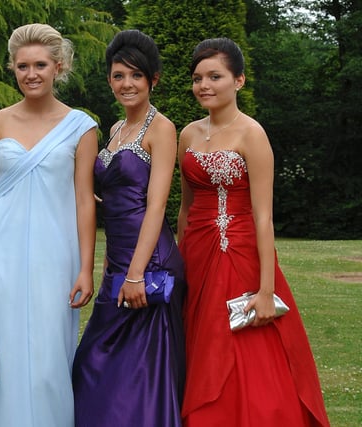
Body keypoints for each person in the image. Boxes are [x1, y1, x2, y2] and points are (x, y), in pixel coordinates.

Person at [177, 37, 330, 426]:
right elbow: (186, 206)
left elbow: (264, 217)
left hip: (239, 251)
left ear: (239, 81)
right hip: (196, 251)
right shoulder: (188, 135)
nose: (204, 85)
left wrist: (266, 291)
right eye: (198, 78)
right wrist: (177, 266)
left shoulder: (252, 134)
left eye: (215, 76)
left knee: (239, 345)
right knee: (197, 340)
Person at [0, 23, 98, 426]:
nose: (30, 74)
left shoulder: (82, 127)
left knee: (50, 355)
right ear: (13, 70)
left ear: (58, 67)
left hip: (56, 255)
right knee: (4, 350)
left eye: (40, 65)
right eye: (22, 66)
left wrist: (85, 267)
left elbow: (85, 200)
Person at [71, 30, 186, 426]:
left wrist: (137, 273)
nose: (127, 84)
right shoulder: (116, 130)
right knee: (93, 363)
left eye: (136, 75)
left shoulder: (162, 128)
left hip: (149, 263)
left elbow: (156, 206)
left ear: (152, 79)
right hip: (117, 263)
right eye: (118, 75)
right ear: (109, 80)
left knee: (140, 373)